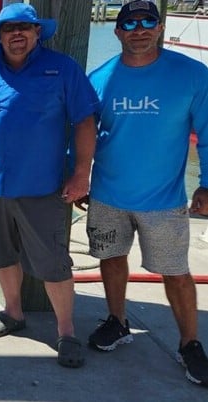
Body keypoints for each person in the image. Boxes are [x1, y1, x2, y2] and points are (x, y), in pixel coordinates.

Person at [0, 3, 98, 368]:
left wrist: (81, 173)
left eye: (24, 28)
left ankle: (66, 332)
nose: (16, 34)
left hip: (44, 189)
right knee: (1, 256)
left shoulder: (63, 69)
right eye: (8, 28)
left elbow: (84, 121)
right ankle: (13, 313)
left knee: (54, 264)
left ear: (36, 33)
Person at [82, 0, 208, 386]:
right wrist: (76, 178)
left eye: (147, 21)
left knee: (177, 274)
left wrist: (207, 183)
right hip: (105, 195)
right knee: (111, 259)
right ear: (118, 31)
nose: (139, 28)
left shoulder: (193, 75)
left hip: (164, 202)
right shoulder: (99, 78)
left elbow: (206, 135)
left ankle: (190, 344)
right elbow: (82, 135)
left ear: (159, 28)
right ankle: (117, 321)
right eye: (129, 22)